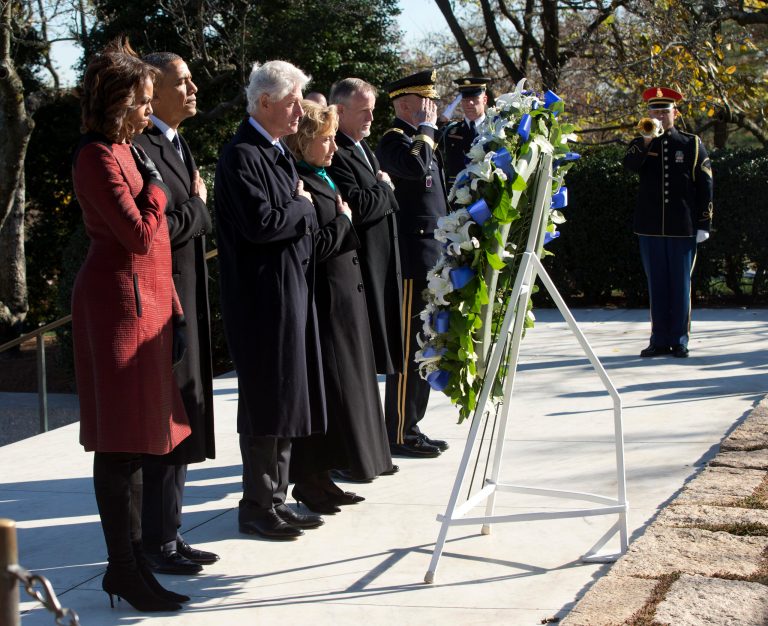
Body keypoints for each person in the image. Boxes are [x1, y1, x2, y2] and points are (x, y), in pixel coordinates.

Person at [72, 38, 190, 612]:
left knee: (140, 444)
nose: (150, 110)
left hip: (149, 306)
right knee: (120, 445)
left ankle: (136, 561)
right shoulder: (96, 156)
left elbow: (158, 248)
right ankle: (123, 567)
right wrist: (163, 190)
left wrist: (177, 311)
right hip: (117, 309)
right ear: (119, 101)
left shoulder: (126, 150)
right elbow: (140, 234)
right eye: (143, 101)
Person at [215, 60, 325, 540]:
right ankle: (257, 505)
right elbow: (264, 223)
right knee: (266, 400)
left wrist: (299, 207)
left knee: (285, 400)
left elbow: (298, 219)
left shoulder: (275, 150)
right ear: (265, 102)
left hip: (289, 290)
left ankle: (276, 498)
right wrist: (301, 204)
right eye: (292, 100)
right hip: (262, 300)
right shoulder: (243, 154)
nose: (300, 110)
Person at [284, 101, 394, 510]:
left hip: (347, 299)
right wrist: (345, 221)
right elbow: (314, 246)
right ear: (304, 141)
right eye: (325, 139)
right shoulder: (302, 181)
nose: (333, 147)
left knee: (344, 392)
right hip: (326, 300)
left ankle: (325, 477)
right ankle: (310, 481)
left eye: (333, 138)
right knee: (329, 392)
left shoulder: (321, 176)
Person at [133, 52, 218, 575]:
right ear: (154, 91)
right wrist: (200, 207)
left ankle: (170, 532)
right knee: (165, 420)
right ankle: (154, 541)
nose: (192, 89)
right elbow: (154, 229)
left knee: (184, 414)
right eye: (181, 82)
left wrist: (194, 208)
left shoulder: (177, 142)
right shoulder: (142, 146)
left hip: (187, 296)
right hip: (163, 302)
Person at [375, 69, 450, 458]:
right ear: (404, 103)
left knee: (425, 346)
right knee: (408, 349)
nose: (432, 109)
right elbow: (415, 168)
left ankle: (412, 424)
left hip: (431, 256)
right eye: (425, 102)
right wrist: (425, 129)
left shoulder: (423, 139)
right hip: (410, 260)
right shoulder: (394, 141)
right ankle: (398, 431)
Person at [624, 87, 713, 358]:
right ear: (648, 113)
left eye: (665, 111)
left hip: (682, 228)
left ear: (675, 113)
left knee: (680, 286)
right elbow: (629, 165)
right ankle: (659, 339)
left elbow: (706, 185)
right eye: (655, 111)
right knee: (657, 286)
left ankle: (680, 339)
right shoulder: (641, 141)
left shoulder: (691, 144)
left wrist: (704, 224)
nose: (660, 116)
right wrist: (647, 141)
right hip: (649, 227)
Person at [327, 78, 403, 387]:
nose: (371, 119)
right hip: (363, 263)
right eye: (364, 112)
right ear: (340, 111)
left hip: (382, 262)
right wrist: (384, 187)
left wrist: (380, 191)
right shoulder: (338, 151)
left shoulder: (362, 146)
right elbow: (358, 205)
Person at [439, 76, 491, 188]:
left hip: (486, 194)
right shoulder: (450, 131)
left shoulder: (494, 128)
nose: (470, 103)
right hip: (456, 195)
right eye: (465, 99)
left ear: (484, 100)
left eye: (475, 98)